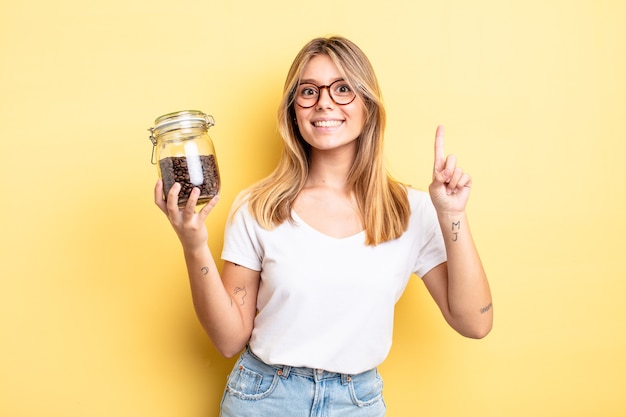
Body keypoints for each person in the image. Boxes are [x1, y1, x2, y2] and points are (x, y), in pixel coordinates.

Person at [154, 35, 492, 417]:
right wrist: (194, 245)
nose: (324, 102)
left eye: (343, 88)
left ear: (368, 106)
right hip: (264, 399)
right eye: (308, 91)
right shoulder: (258, 206)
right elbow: (229, 340)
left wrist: (452, 215)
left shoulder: (410, 210)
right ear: (293, 112)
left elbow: (475, 323)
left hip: (357, 403)